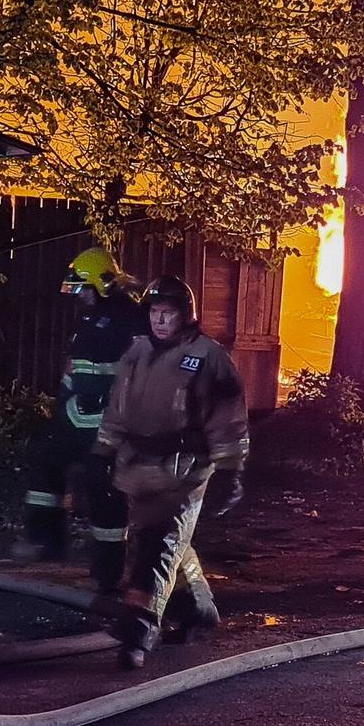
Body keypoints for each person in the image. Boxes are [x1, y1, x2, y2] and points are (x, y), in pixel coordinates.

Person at [94, 275, 249, 670]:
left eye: (168, 314)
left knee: (158, 547)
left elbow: (228, 418)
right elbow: (118, 408)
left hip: (186, 470)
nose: (160, 321)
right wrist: (103, 452)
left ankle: (137, 633)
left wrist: (230, 470)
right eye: (155, 313)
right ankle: (198, 608)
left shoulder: (208, 356)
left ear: (186, 316)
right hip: (140, 466)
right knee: (159, 540)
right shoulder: (138, 352)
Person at [18, 247, 147, 590]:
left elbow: (141, 375)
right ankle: (47, 541)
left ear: (103, 284)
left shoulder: (131, 320)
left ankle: (107, 574)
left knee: (102, 487)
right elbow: (75, 367)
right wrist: (62, 407)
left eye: (82, 288)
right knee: (44, 461)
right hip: (77, 417)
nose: (78, 295)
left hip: (110, 424)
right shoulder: (90, 318)